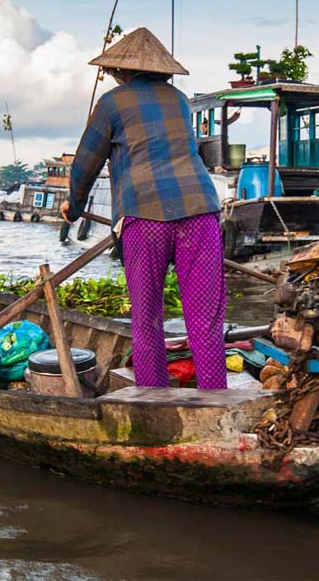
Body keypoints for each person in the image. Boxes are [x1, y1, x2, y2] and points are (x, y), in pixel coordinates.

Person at [60, 27, 227, 390]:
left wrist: (73, 209)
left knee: (147, 317)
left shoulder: (111, 102)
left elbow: (85, 163)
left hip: (145, 217)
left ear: (120, 71)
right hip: (201, 212)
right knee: (205, 318)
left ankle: (153, 396)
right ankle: (216, 397)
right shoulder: (180, 100)